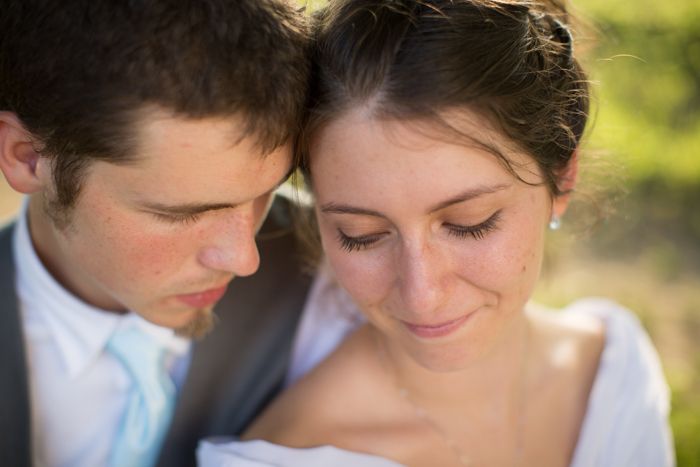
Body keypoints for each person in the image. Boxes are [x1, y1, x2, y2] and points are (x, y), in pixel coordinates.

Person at [198, 0, 676, 466]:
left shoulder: (615, 374)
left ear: (562, 177)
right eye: (360, 234)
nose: (422, 295)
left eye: (470, 224)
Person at [0, 1, 317, 466]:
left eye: (264, 194)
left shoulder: (339, 282)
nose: (243, 258)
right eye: (181, 213)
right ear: (26, 156)